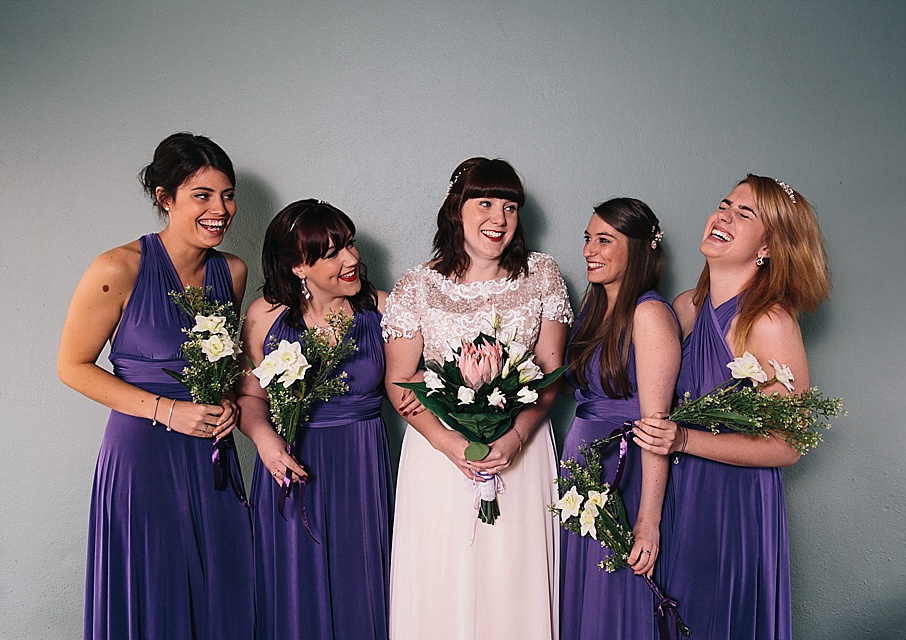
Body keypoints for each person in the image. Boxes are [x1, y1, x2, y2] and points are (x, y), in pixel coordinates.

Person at [56, 132, 254, 640]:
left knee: (224, 590)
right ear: (165, 199)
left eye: (227, 194)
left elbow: (221, 363)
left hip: (210, 452)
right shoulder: (117, 268)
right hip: (142, 456)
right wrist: (168, 411)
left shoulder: (231, 272)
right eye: (202, 195)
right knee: (154, 588)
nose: (220, 209)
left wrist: (228, 401)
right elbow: (72, 366)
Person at [633, 174, 830, 639]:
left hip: (733, 506)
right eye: (725, 204)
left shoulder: (769, 322)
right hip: (678, 495)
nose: (724, 215)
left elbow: (789, 447)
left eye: (745, 213)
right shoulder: (687, 307)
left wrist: (684, 438)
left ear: (768, 247)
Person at [382, 157, 572, 640]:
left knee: (513, 577)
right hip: (439, 459)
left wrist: (515, 437)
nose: (499, 218)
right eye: (484, 203)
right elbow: (399, 382)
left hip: (522, 452)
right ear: (456, 209)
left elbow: (550, 375)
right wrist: (449, 445)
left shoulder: (543, 275)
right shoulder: (417, 285)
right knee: (444, 574)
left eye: (509, 207)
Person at [237, 199, 393, 640]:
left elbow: (410, 388)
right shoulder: (263, 316)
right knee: (293, 597)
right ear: (297, 267)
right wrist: (266, 442)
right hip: (290, 470)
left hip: (361, 472)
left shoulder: (383, 309)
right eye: (331, 253)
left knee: (362, 592)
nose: (351, 259)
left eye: (350, 245)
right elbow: (251, 398)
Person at [559, 198, 681, 639]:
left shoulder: (648, 314)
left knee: (615, 601)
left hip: (622, 473)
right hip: (583, 469)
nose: (590, 249)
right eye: (588, 238)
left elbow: (655, 427)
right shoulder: (593, 309)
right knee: (585, 602)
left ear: (639, 249)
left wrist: (648, 519)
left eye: (605, 239)